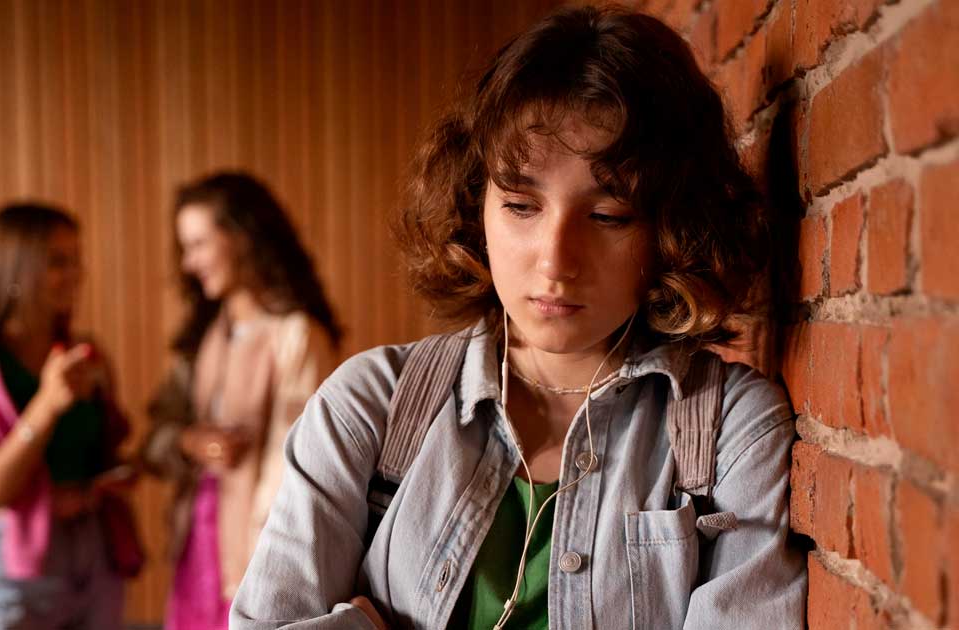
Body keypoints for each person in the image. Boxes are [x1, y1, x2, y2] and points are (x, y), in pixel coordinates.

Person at [230, 6, 806, 629]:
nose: (555, 260)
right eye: (521, 205)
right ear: (477, 206)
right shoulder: (370, 407)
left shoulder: (729, 432)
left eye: (608, 215)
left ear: (672, 231)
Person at [0, 203, 143, 629]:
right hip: (16, 563)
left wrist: (122, 471)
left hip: (95, 555)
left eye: (76, 260)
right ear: (15, 271)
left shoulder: (87, 356)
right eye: (58, 261)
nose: (75, 274)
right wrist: (47, 405)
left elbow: (109, 456)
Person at [140, 172, 341, 630]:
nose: (189, 263)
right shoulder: (204, 338)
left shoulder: (297, 336)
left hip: (259, 543)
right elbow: (156, 434)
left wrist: (266, 562)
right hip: (199, 536)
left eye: (199, 245)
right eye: (185, 248)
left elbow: (294, 465)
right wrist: (191, 442)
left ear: (243, 239)